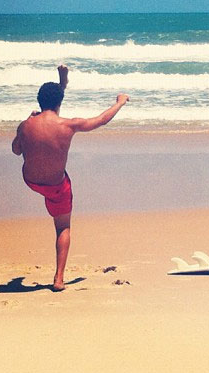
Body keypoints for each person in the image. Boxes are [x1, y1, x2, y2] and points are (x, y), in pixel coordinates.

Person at [12, 64, 129, 291]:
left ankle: (62, 81)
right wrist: (120, 102)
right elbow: (101, 120)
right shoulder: (68, 125)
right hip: (56, 186)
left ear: (39, 102)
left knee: (38, 158)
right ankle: (58, 279)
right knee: (62, 227)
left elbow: (16, 150)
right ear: (58, 102)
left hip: (31, 181)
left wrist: (25, 128)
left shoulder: (25, 125)